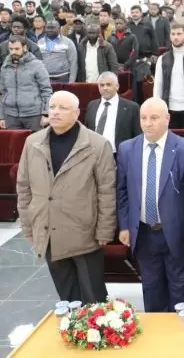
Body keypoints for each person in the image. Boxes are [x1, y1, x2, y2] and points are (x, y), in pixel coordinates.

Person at [16, 91, 115, 303]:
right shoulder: (33, 143)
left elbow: (107, 191)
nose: (55, 112)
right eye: (52, 107)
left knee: (94, 299)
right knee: (68, 298)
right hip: (48, 230)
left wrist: (105, 229)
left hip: (84, 233)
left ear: (77, 113)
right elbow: (24, 187)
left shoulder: (97, 145)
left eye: (63, 108)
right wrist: (28, 225)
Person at [116, 97, 184, 312]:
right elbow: (122, 191)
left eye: (154, 118)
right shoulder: (127, 149)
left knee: (180, 290)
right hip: (143, 233)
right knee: (151, 289)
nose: (147, 123)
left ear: (167, 118)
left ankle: (181, 330)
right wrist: (125, 226)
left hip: (178, 232)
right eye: (143, 118)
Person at [0, 35, 52, 130]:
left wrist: (46, 113)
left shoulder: (37, 65)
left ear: (24, 47)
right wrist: (1, 116)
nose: (13, 52)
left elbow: (46, 90)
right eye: (11, 49)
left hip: (34, 115)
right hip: (10, 115)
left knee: (36, 140)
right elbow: (2, 93)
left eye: (17, 49)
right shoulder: (5, 66)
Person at [85, 72, 141, 153]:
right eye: (102, 85)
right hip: (94, 154)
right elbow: (87, 131)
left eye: (108, 85)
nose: (105, 88)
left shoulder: (131, 107)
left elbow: (138, 136)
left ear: (117, 86)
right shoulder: (92, 105)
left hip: (119, 155)